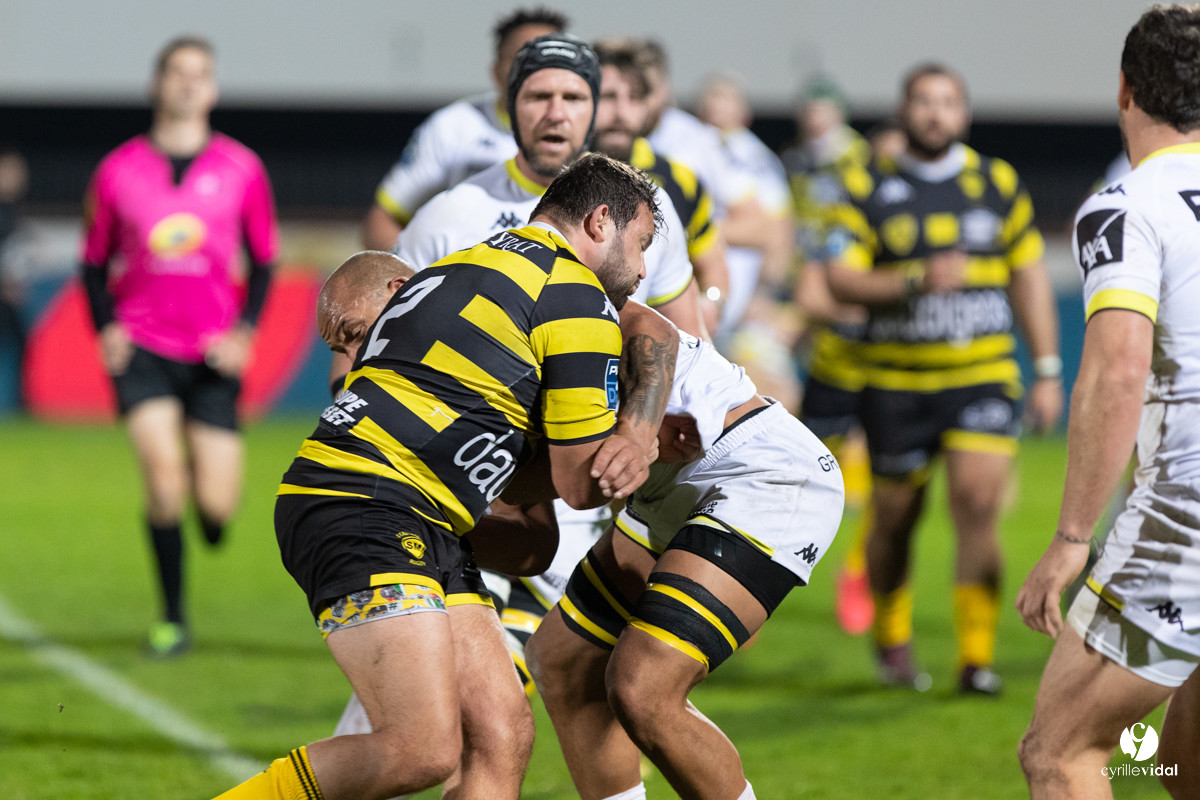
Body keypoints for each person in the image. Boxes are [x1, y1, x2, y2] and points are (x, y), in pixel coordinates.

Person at [214, 153, 669, 800]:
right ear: (601, 222)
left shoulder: (453, 268)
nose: (643, 268)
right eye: (642, 243)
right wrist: (638, 440)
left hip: (413, 513)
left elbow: (514, 488)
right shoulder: (573, 296)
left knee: (501, 733)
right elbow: (580, 484)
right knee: (420, 750)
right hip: (370, 505)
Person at [526, 305, 844, 800]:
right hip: (658, 482)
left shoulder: (488, 296)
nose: (355, 349)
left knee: (643, 686)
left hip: (756, 465)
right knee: (565, 659)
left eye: (355, 331)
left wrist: (634, 427)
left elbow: (652, 324)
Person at [826, 63, 1063, 693]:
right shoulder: (865, 182)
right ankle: (892, 639)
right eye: (922, 101)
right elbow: (839, 279)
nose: (935, 112)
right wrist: (912, 279)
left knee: (980, 504)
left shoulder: (997, 182)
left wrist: (1045, 368)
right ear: (904, 111)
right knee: (895, 520)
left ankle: (976, 659)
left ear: (964, 112)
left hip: (982, 375)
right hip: (895, 382)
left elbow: (1029, 275)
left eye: (947, 101)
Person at [1017, 6, 1200, 798]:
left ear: (1125, 88)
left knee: (1062, 751)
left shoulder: (1127, 204)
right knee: (1184, 768)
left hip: (1187, 513)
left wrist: (1070, 538)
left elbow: (1118, 370)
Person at [79, 37, 279, 658]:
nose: (189, 85)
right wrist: (106, 329)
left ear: (213, 90)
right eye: (177, 74)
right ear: (156, 85)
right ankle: (172, 619)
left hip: (213, 355)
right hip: (143, 348)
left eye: (200, 75)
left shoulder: (242, 168)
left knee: (215, 509)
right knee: (163, 481)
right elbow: (91, 263)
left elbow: (267, 262)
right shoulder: (117, 170)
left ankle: (209, 509)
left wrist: (245, 333)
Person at [781, 76, 876, 636]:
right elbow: (806, 268)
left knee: (885, 482)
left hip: (876, 358)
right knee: (806, 461)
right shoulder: (797, 170)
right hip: (831, 350)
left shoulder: (861, 172)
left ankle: (858, 573)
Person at [361, 7, 567, 250]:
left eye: (551, 60)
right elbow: (383, 218)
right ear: (496, 71)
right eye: (523, 59)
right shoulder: (452, 127)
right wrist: (417, 277)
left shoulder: (590, 130)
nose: (537, 70)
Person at [592, 38, 729, 335]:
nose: (621, 111)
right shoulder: (555, 178)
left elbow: (714, 264)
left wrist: (710, 304)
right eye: (608, 96)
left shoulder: (682, 181)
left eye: (635, 97)